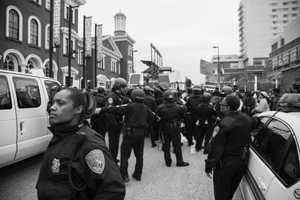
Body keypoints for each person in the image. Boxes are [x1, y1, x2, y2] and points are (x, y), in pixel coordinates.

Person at [36, 87, 125, 200]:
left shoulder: (90, 144)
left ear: (78, 109)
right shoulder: (62, 134)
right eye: (53, 102)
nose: (52, 108)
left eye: (60, 103)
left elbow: (113, 190)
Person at [95, 89, 159, 182]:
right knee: (139, 155)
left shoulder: (129, 107)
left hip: (130, 133)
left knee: (125, 155)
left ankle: (124, 176)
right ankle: (138, 175)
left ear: (132, 97)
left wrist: (101, 109)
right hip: (141, 134)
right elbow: (155, 118)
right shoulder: (145, 108)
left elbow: (114, 109)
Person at [205, 95, 257, 200]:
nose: (219, 106)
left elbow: (215, 147)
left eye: (221, 104)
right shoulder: (246, 117)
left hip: (225, 166)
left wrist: (209, 165)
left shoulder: (225, 123)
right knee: (229, 195)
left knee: (221, 196)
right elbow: (257, 123)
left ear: (227, 108)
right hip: (241, 163)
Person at [156, 90, 189, 167]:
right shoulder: (178, 107)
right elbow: (185, 110)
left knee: (166, 145)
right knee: (177, 145)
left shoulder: (160, 107)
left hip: (164, 128)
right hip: (174, 128)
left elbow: (156, 117)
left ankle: (168, 162)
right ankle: (179, 161)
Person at [104, 77, 128, 164]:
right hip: (113, 124)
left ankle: (113, 157)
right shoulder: (111, 97)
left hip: (118, 122)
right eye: (124, 87)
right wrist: (116, 126)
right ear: (119, 87)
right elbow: (109, 113)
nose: (126, 89)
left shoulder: (119, 96)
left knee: (116, 143)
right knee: (113, 143)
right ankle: (112, 162)